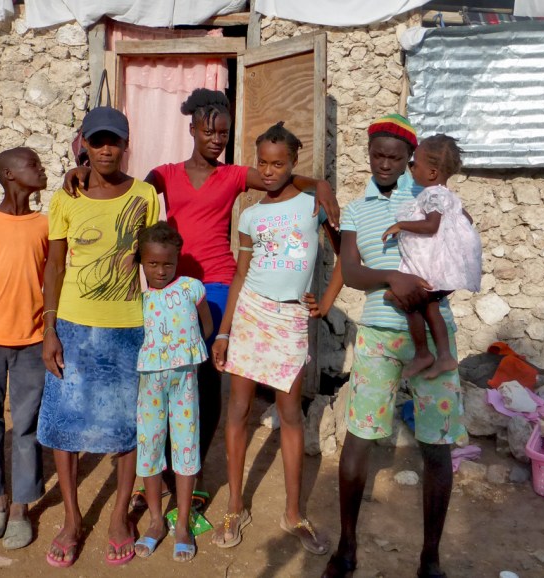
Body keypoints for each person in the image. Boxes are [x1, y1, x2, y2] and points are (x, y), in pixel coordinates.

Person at [65, 88, 340, 510]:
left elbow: (280, 177)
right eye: (208, 131)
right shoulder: (165, 174)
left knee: (207, 382)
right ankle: (151, 476)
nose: (216, 140)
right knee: (160, 378)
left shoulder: (233, 176)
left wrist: (319, 184)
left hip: (216, 286)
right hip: (168, 287)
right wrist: (83, 172)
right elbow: (125, 188)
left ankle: (187, 476)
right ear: (191, 129)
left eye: (223, 133)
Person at [322, 114, 467, 578]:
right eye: (377, 155)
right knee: (360, 437)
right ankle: (347, 547)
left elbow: (457, 245)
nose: (384, 163)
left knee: (436, 443)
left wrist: (424, 285)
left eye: (394, 156)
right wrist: (392, 276)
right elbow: (352, 269)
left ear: (410, 159)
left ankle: (430, 556)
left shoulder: (428, 195)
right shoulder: (359, 208)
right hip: (379, 333)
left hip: (432, 323)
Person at [210, 122, 342, 554]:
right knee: (239, 410)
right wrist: (225, 330)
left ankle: (292, 512)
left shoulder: (313, 205)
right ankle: (234, 504)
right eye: (263, 163)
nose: (269, 171)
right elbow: (240, 275)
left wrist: (325, 300)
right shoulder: (249, 215)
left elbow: (346, 253)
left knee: (289, 414)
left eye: (278, 163)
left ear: (292, 164)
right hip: (250, 312)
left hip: (288, 321)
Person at [38, 106, 159, 567]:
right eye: (97, 140)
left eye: (114, 141)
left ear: (126, 145)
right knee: (66, 427)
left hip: (128, 325)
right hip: (71, 323)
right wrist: (49, 328)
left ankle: (117, 516)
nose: (106, 149)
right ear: (83, 144)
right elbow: (55, 264)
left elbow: (156, 258)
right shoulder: (66, 197)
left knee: (126, 425)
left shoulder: (146, 195)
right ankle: (71, 520)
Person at [0, 147, 49, 550]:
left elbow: (53, 280)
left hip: (33, 341)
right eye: (32, 164)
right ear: (9, 174)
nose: (41, 169)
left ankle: (20, 505)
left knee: (27, 424)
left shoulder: (45, 225)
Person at [132, 222, 213, 562]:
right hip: (149, 383)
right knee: (149, 445)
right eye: (152, 263)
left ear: (178, 259)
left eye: (168, 263)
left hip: (185, 382)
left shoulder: (191, 288)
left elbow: (206, 324)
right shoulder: (137, 293)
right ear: (141, 261)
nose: (161, 271)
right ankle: (154, 520)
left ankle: (181, 522)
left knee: (186, 446)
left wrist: (191, 351)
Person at [381, 135, 481, 380]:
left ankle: (423, 353)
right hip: (444, 274)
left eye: (415, 163)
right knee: (431, 308)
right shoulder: (449, 196)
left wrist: (400, 226)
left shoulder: (431, 195)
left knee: (406, 301)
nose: (411, 168)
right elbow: (466, 220)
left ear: (433, 172)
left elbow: (431, 226)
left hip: (432, 273)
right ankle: (445, 356)